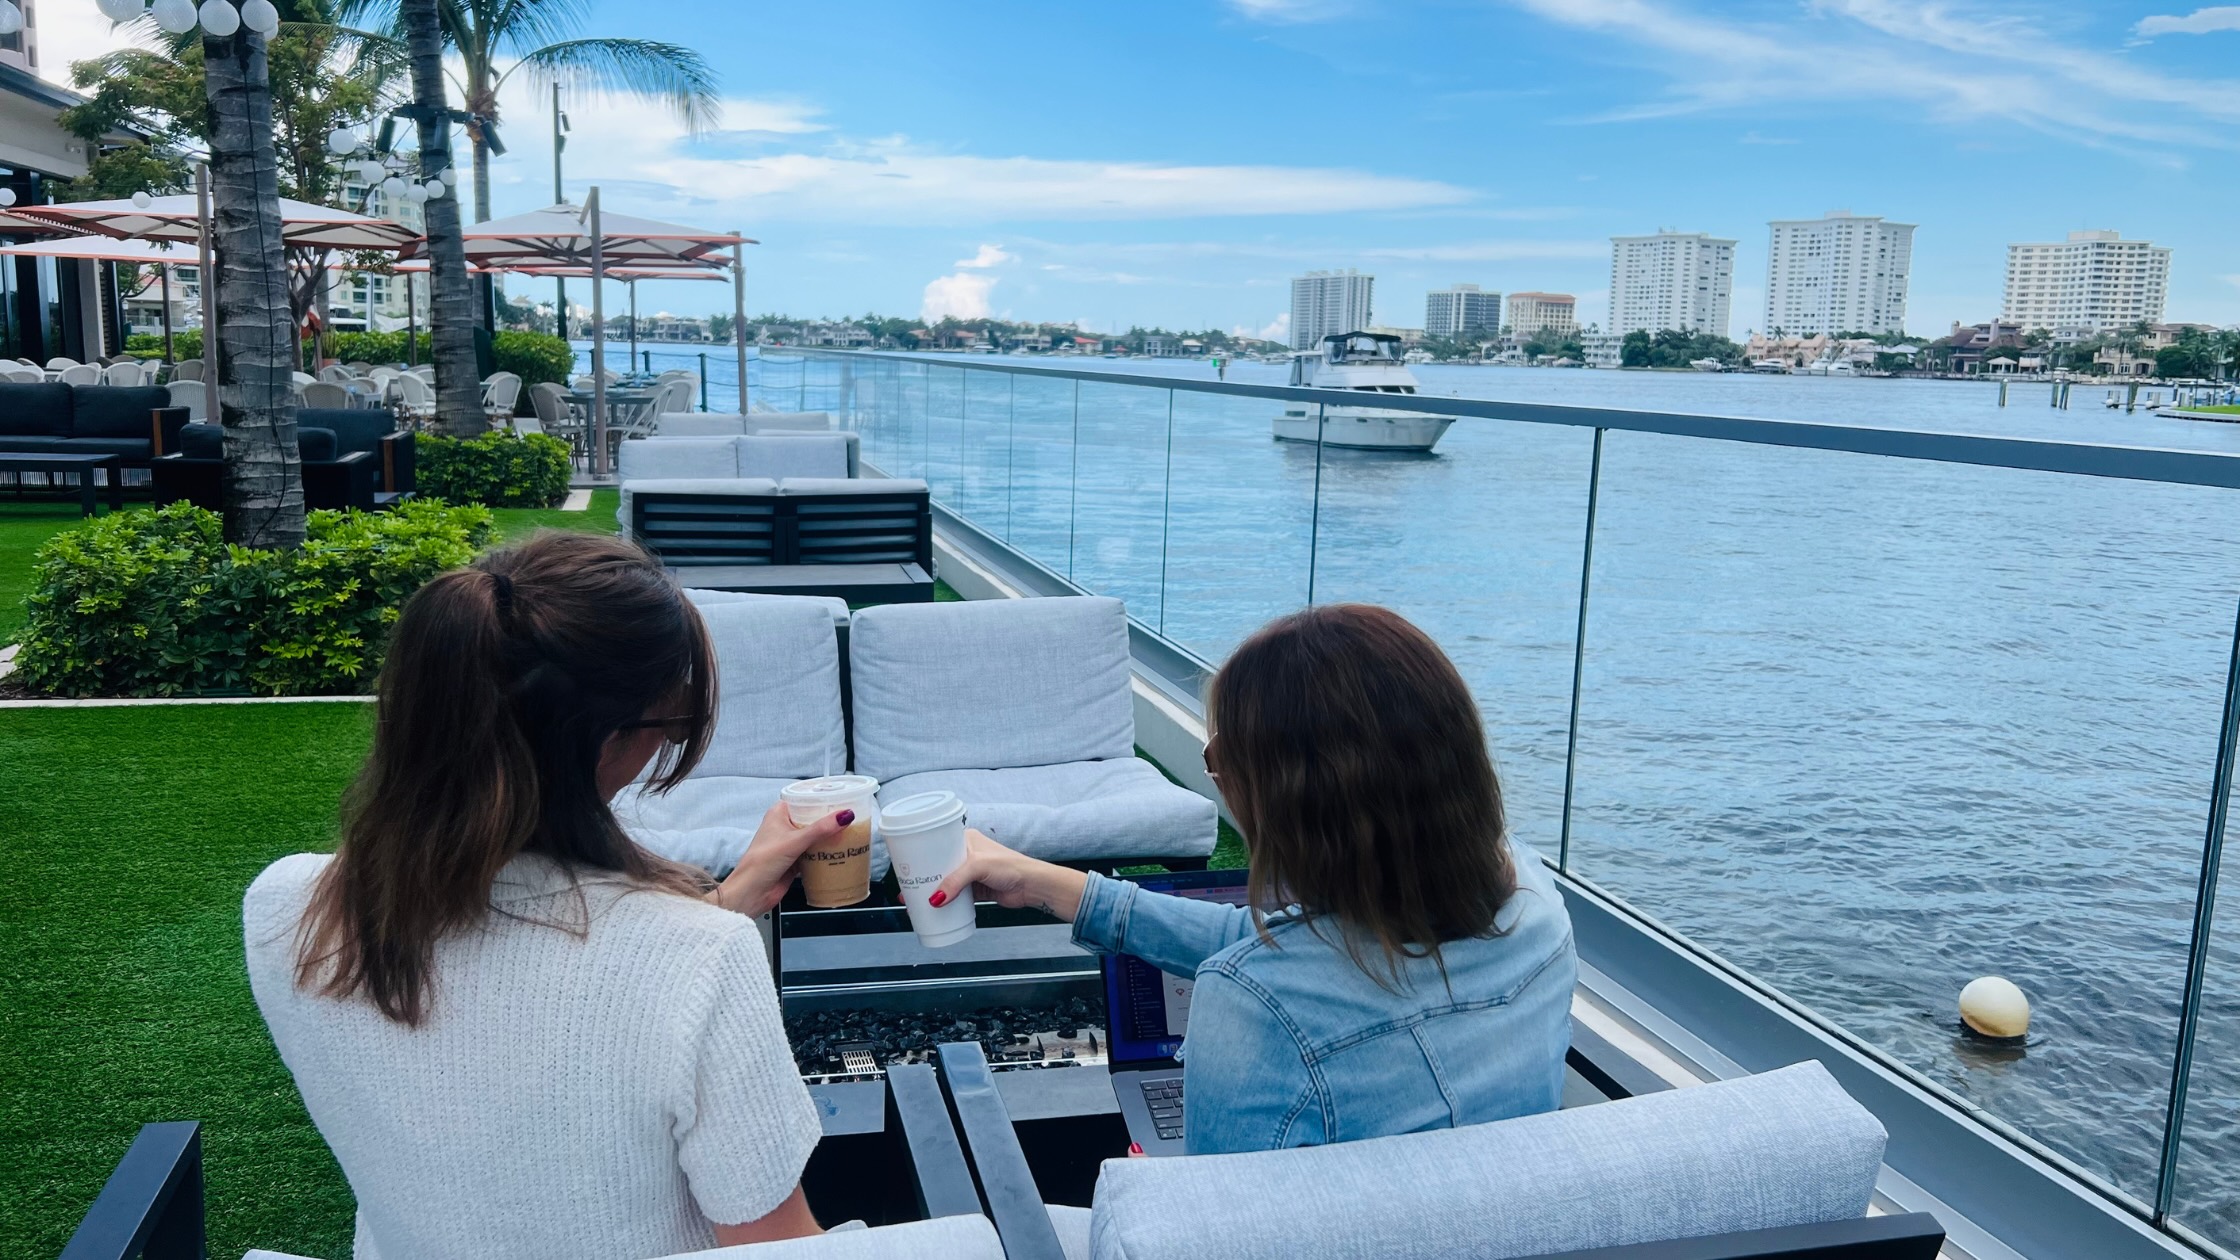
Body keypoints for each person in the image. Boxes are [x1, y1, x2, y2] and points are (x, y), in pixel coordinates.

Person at [244, 533, 842, 1260]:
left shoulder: (286, 910)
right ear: (610, 741)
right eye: (671, 725)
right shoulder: (702, 960)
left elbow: (532, 1014)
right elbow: (772, 1249)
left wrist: (727, 899)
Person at [932, 603, 1576, 1155]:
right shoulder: (1538, 906)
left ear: (1290, 800)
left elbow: (1219, 1231)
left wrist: (1150, 1194)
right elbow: (1307, 957)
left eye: (1218, 757)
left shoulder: (1253, 1009)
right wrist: (1048, 884)